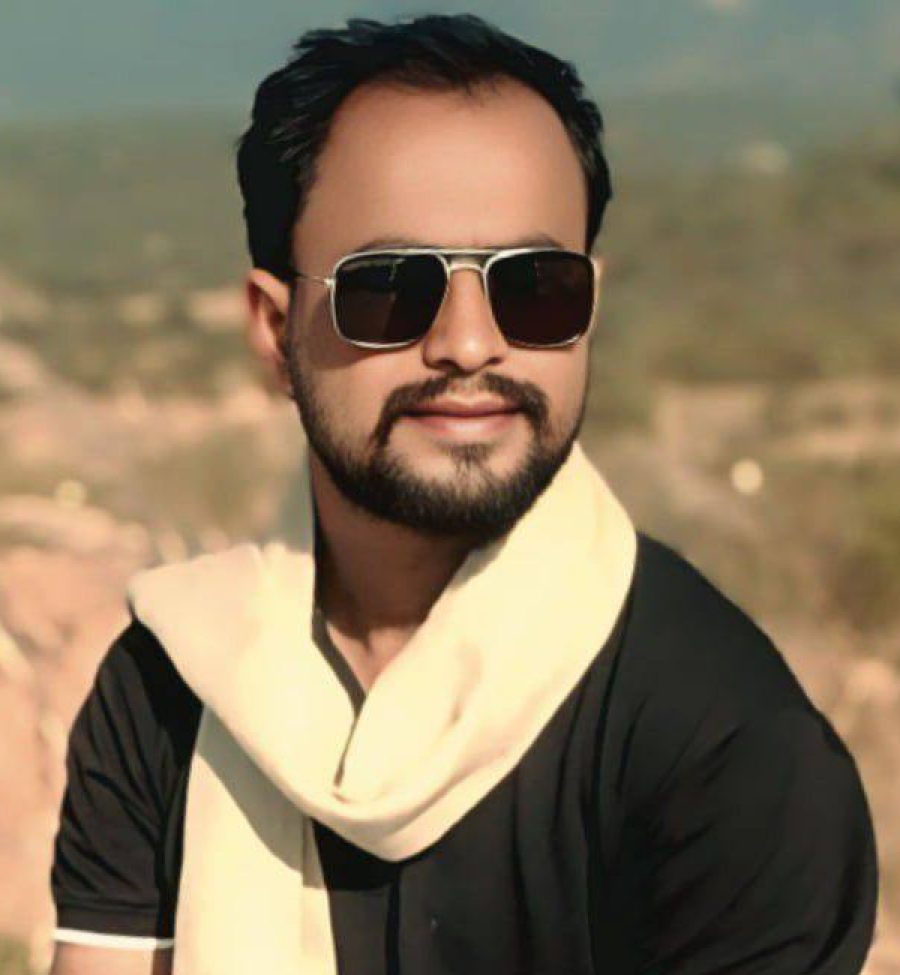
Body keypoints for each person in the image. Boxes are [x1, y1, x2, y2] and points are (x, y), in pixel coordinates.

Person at [48, 13, 878, 975]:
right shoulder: (176, 684)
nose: (471, 343)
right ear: (275, 331)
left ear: (588, 310)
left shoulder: (724, 740)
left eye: (535, 288)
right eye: (391, 288)